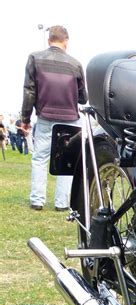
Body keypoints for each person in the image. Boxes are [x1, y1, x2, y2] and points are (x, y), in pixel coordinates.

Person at [20, 25, 88, 211]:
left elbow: (29, 91)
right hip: (70, 118)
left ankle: (37, 200)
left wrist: (25, 118)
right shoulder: (75, 64)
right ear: (66, 42)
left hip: (46, 115)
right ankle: (62, 203)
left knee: (40, 158)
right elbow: (83, 97)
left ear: (49, 40)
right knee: (66, 160)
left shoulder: (35, 58)